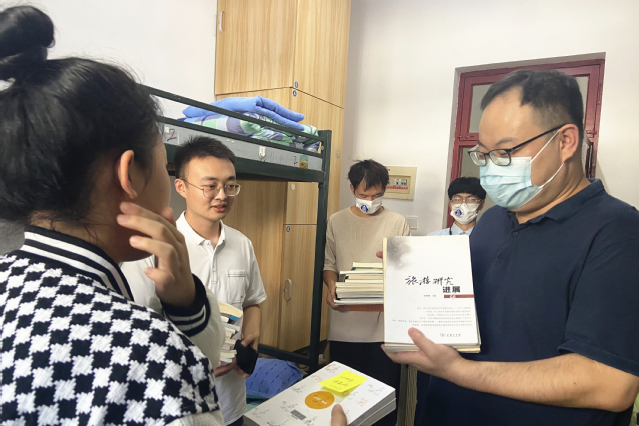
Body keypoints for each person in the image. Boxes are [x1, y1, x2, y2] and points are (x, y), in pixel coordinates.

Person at [0, 6, 225, 425]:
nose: (221, 195)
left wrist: (185, 300)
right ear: (129, 174)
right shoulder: (150, 359)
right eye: (164, 165)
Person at [386, 69, 639, 426]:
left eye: (505, 151)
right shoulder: (493, 220)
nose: (492, 167)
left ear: (566, 141)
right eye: (484, 154)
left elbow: (610, 383)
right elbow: (466, 309)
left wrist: (457, 371)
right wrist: (408, 284)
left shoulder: (618, 232)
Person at [122, 136, 267, 426]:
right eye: (210, 186)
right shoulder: (156, 248)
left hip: (231, 402)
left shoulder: (242, 244)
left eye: (230, 185)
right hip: (180, 407)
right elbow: (138, 331)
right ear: (181, 186)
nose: (222, 195)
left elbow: (253, 301)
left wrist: (252, 331)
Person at [323, 159, 410, 426]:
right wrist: (331, 286)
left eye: (376, 195)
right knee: (345, 401)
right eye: (364, 195)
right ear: (352, 189)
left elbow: (405, 270)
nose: (370, 201)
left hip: (384, 329)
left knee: (383, 403)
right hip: (345, 325)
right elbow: (329, 264)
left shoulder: (397, 222)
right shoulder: (336, 221)